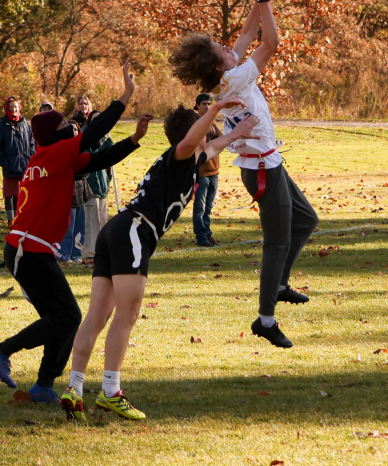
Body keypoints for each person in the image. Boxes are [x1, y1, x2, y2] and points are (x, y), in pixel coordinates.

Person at [62, 98, 258, 421]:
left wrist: (239, 134)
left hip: (117, 229)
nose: (209, 137)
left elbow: (213, 146)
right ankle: (111, 391)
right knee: (128, 313)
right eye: (204, 130)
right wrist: (214, 109)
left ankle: (74, 388)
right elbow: (195, 141)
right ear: (194, 133)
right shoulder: (180, 155)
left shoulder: (190, 160)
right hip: (135, 231)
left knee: (97, 315)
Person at [0, 61, 150, 404]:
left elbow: (99, 159)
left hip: (26, 249)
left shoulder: (50, 157)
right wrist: (125, 96)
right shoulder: (55, 153)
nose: (71, 127)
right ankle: (2, 350)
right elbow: (95, 132)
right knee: (69, 316)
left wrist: (133, 140)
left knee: (63, 319)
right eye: (64, 124)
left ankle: (44, 385)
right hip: (29, 251)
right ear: (55, 134)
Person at [168, 0, 318, 348]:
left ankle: (279, 284)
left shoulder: (228, 75)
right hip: (262, 170)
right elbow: (271, 42)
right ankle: (266, 319)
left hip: (269, 163)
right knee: (276, 244)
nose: (229, 45)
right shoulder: (235, 78)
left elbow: (250, 30)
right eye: (222, 48)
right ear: (221, 66)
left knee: (307, 220)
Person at [0, 96, 35, 223]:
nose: (14, 109)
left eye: (16, 107)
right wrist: (6, 163)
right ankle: (11, 220)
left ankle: (20, 219)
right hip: (10, 166)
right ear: (7, 108)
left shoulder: (25, 124)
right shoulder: (2, 125)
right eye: (11, 107)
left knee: (21, 193)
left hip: (24, 166)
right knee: (10, 194)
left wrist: (30, 159)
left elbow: (32, 143)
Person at [192, 93, 222, 247]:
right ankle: (201, 237)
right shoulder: (195, 122)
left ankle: (208, 235)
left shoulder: (211, 123)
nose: (207, 107)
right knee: (200, 207)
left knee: (208, 207)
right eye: (204, 104)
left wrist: (215, 123)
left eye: (209, 104)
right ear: (197, 105)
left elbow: (222, 140)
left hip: (214, 171)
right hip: (201, 172)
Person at [60, 117, 90, 263]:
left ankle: (77, 254)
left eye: (75, 129)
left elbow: (87, 170)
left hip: (81, 192)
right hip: (68, 194)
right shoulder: (63, 148)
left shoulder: (81, 147)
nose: (73, 131)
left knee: (80, 228)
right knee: (68, 228)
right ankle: (65, 254)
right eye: (70, 129)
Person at [83, 109, 113, 255]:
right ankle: (89, 253)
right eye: (95, 119)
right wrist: (106, 147)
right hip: (91, 189)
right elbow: (92, 158)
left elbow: (107, 166)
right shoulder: (86, 137)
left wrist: (107, 182)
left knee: (102, 223)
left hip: (102, 190)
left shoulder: (103, 139)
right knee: (92, 224)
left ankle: (101, 253)